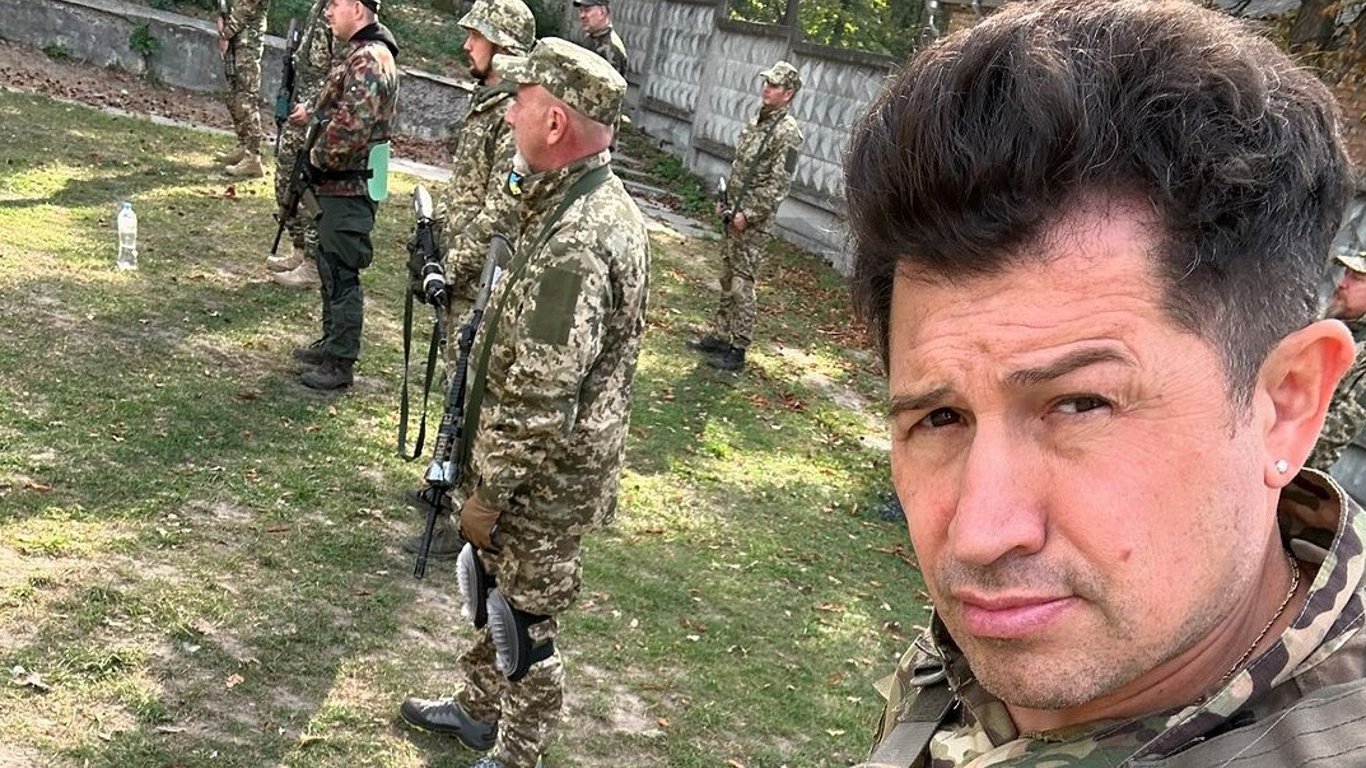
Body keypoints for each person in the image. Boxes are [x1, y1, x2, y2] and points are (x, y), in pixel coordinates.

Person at [842, 2, 1366, 766]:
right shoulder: (1010, 638)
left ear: (1284, 404)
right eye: (942, 418)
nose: (980, 533)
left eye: (1080, 405)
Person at [398, 38, 648, 768]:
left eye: (521, 102)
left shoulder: (580, 240)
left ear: (555, 123)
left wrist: (490, 495)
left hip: (544, 483)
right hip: (531, 470)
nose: (508, 115)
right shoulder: (570, 202)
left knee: (524, 624)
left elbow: (542, 394)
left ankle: (516, 755)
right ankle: (478, 711)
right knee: (492, 593)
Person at [399, 0, 536, 560]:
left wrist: (449, 266)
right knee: (455, 385)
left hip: (484, 281)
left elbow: (503, 210)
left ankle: (463, 517)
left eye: (475, 36)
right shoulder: (492, 104)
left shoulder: (514, 115)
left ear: (501, 44)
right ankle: (444, 480)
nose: (466, 45)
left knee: (473, 396)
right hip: (461, 273)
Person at [288, 0, 399, 391]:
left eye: (335, 3)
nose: (328, 12)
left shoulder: (370, 59)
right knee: (329, 262)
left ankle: (340, 361)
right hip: (339, 183)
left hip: (349, 185)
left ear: (357, 6)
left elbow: (350, 129)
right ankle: (331, 343)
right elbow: (337, 112)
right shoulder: (360, 54)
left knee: (341, 270)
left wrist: (315, 160)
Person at [687, 61, 803, 372]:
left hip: (753, 222)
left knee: (742, 282)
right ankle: (720, 335)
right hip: (734, 212)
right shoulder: (757, 121)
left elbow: (779, 185)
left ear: (788, 94)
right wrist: (726, 203)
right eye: (766, 82)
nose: (767, 88)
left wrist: (748, 215)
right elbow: (742, 168)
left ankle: (738, 347)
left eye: (774, 85)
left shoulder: (788, 133)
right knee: (727, 275)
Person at [269, 0, 336, 287]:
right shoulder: (319, 6)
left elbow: (341, 72)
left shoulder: (344, 10)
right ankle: (299, 249)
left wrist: (312, 106)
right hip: (298, 109)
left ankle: (312, 263)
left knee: (309, 186)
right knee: (286, 180)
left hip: (318, 116)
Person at [1310, 253, 1366, 470]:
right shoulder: (1327, 322)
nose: (1342, 283)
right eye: (1345, 273)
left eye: (1356, 278)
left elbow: (1335, 432)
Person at [218, 0, 271, 178]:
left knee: (247, 100)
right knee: (233, 96)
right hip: (237, 41)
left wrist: (225, 34)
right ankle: (244, 146)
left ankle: (253, 157)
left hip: (248, 46)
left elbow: (247, 7)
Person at [573, 0, 627, 76]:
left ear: (602, 12)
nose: (582, 16)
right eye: (581, 11)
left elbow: (608, 82)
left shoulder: (611, 48)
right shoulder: (592, 38)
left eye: (587, 10)